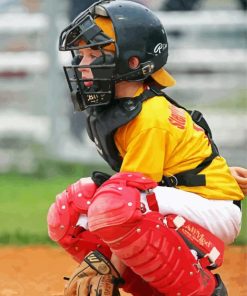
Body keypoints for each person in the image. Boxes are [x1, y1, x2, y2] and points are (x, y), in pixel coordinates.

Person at [48, 1, 247, 295]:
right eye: (81, 54)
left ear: (131, 61)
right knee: (70, 209)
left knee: (116, 201)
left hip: (213, 208)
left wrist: (109, 263)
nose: (82, 64)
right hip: (187, 197)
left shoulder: (148, 117)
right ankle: (156, 288)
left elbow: (130, 198)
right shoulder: (125, 108)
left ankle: (203, 288)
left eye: (94, 54)